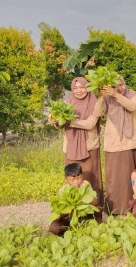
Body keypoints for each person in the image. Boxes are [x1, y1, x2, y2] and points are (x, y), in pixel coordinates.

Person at [51, 77, 104, 206]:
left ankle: (94, 208)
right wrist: (57, 122)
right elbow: (60, 124)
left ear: (87, 88)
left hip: (89, 147)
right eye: (75, 88)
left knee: (91, 178)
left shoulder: (95, 103)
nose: (79, 90)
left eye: (82, 87)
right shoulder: (67, 103)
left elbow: (90, 124)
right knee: (72, 179)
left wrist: (70, 121)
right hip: (71, 147)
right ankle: (73, 207)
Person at [95, 77, 136, 215]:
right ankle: (113, 209)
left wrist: (116, 95)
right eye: (115, 86)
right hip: (113, 143)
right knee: (113, 178)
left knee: (129, 177)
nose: (119, 87)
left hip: (129, 141)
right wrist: (102, 97)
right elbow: (97, 113)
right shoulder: (108, 98)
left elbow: (132, 106)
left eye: (121, 84)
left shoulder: (132, 94)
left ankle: (130, 207)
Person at [49, 163, 100, 236]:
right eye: (72, 180)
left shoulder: (85, 185)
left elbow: (95, 202)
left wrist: (81, 201)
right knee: (54, 228)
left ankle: (85, 229)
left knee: (98, 210)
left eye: (78, 178)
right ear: (66, 179)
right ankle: (71, 229)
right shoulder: (63, 191)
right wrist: (68, 209)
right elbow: (59, 212)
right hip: (70, 216)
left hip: (84, 214)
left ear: (82, 176)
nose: (76, 182)